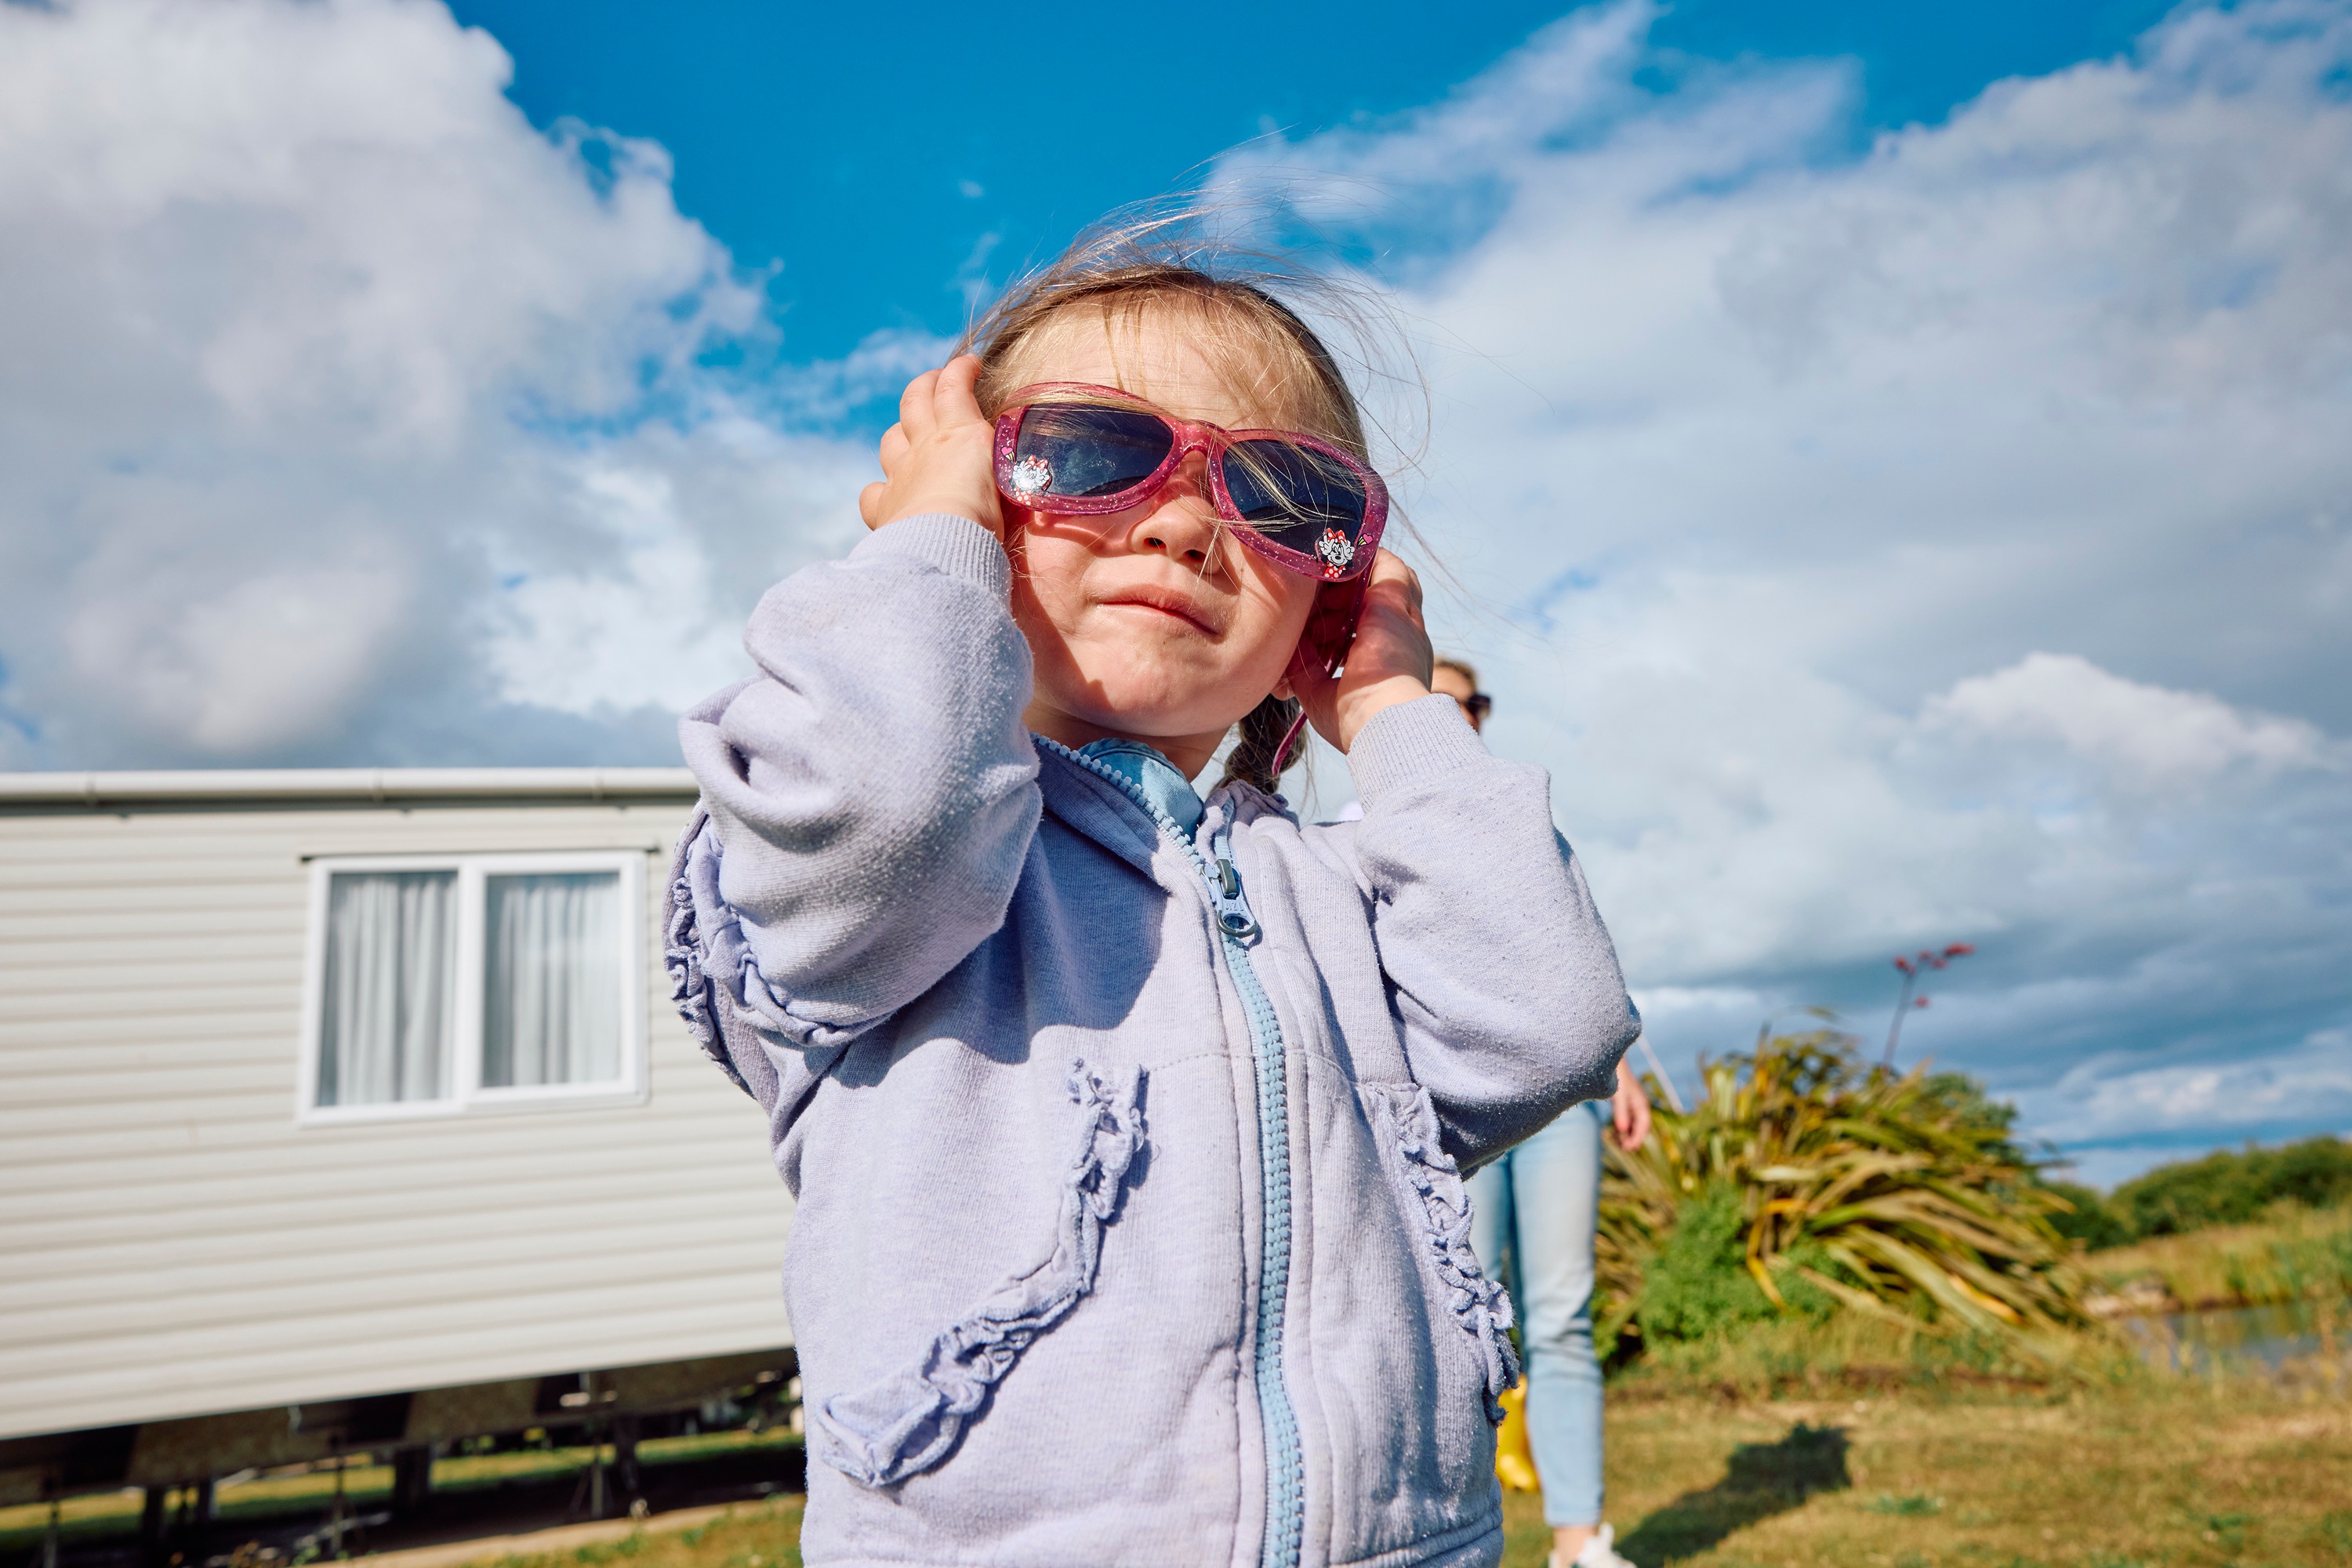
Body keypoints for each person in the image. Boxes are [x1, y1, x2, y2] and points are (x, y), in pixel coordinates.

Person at [664, 221, 1639, 1568]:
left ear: (1327, 598)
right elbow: (891, 807)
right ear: (977, 499)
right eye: (1095, 453)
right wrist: (930, 544)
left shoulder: (1329, 897)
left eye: (1286, 496)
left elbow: (1552, 1020)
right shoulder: (888, 865)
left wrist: (1395, 709)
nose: (1184, 521)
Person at [1431, 662, 1652, 1568]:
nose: (1451, 717)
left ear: (1483, 715)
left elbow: (1578, 965)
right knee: (1466, 1316)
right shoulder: (1355, 830)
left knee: (1561, 1313)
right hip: (1455, 1103)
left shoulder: (1527, 821)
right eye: (1431, 698)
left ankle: (1576, 1539)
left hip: (1563, 1105)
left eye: (1467, 704)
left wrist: (1621, 1069)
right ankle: (1457, 1532)